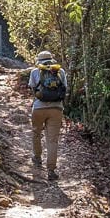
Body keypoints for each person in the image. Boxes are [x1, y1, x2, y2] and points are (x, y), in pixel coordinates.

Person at [28, 50, 68, 181]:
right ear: (51, 60)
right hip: (56, 109)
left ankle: (37, 158)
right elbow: (65, 89)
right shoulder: (60, 72)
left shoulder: (35, 72)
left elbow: (33, 89)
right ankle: (51, 170)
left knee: (36, 133)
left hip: (39, 108)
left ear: (39, 61)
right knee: (52, 140)